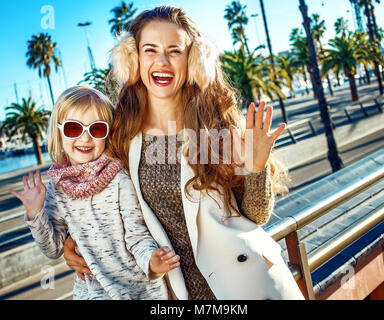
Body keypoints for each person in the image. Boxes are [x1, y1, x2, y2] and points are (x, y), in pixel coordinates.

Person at [64, 6, 304, 300]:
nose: (162, 61)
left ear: (192, 59)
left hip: (245, 286)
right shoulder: (120, 136)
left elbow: (256, 215)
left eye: (174, 51)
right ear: (134, 58)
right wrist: (72, 240)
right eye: (150, 50)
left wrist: (256, 166)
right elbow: (94, 202)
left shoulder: (217, 125)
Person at [10, 85, 180, 300]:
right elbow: (53, 248)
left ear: (107, 134)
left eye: (96, 129)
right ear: (59, 131)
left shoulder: (119, 179)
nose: (85, 138)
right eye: (74, 128)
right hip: (90, 293)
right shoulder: (58, 187)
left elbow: (136, 235)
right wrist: (35, 214)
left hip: (140, 292)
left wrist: (152, 262)